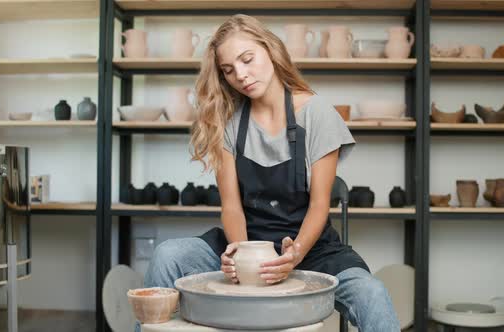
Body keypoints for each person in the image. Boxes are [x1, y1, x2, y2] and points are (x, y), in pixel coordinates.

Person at [141, 14, 400, 332]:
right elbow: (232, 206)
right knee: (169, 255)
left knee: (372, 292)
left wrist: (295, 255)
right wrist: (239, 255)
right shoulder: (229, 123)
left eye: (247, 59)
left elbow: (320, 206)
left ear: (270, 50)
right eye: (229, 70)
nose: (241, 75)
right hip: (247, 243)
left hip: (312, 249)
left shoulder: (318, 114)